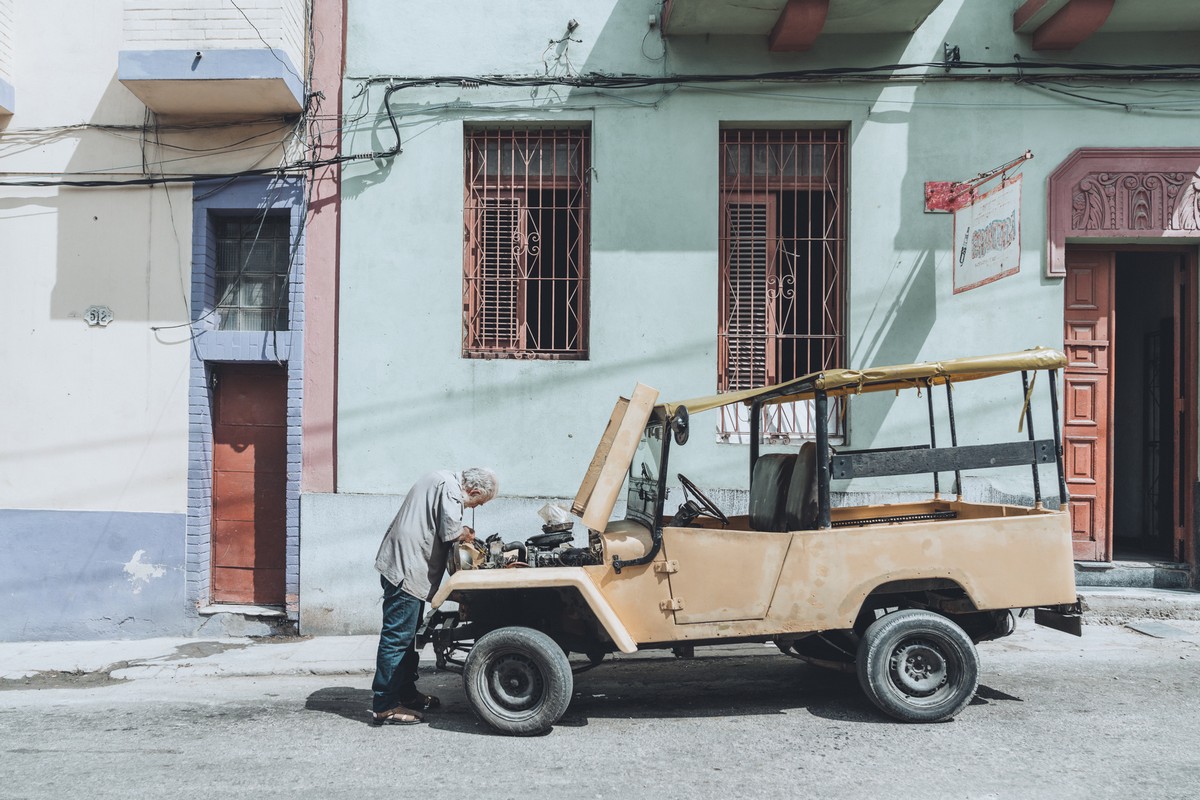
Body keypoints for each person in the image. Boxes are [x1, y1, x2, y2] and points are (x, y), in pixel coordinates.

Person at [370, 466, 498, 725]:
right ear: (472, 490)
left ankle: (405, 694)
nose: (475, 508)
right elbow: (450, 533)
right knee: (397, 639)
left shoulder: (440, 477)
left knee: (408, 638)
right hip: (407, 569)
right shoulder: (451, 490)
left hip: (403, 565)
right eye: (478, 503)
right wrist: (466, 532)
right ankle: (384, 705)